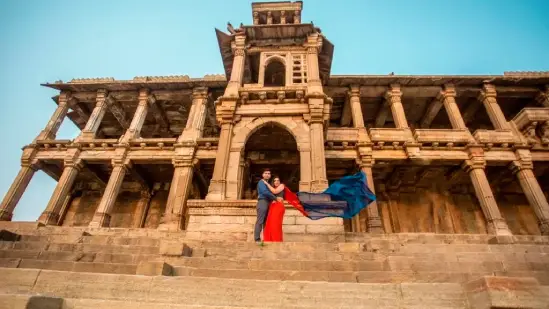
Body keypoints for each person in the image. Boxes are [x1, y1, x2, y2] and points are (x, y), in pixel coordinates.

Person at [254, 169, 282, 242]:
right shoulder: (261, 182)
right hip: (262, 202)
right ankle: (257, 239)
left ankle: (266, 239)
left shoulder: (268, 183)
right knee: (260, 221)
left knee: (266, 222)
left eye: (269, 173)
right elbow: (265, 192)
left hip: (268, 203)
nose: (267, 174)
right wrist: (275, 198)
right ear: (263, 175)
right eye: (265, 173)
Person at [262, 176, 286, 242]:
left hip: (278, 207)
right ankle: (270, 240)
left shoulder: (282, 185)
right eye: (275, 180)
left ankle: (277, 240)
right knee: (270, 224)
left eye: (278, 180)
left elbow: (275, 191)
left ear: (280, 181)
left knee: (276, 224)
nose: (276, 182)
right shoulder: (272, 188)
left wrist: (267, 184)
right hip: (272, 207)